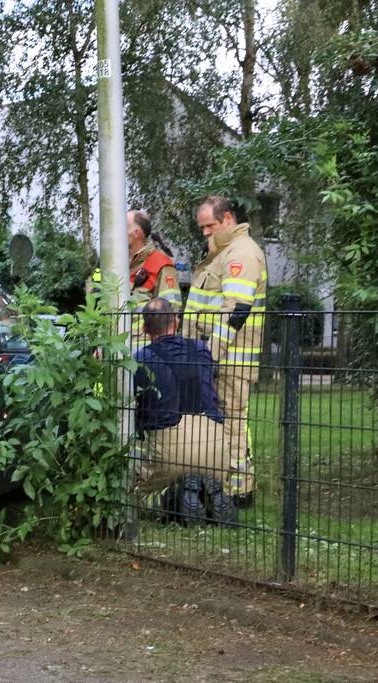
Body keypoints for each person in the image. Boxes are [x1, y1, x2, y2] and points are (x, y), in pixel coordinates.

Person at [181, 195, 268, 505]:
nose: (205, 232)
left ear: (228, 219)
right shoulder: (223, 252)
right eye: (202, 227)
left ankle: (236, 493)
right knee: (218, 423)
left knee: (231, 423)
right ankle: (220, 488)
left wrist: (210, 355)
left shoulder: (241, 254)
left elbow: (236, 311)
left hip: (228, 359)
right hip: (213, 356)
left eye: (210, 225)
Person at [133, 298, 236, 524]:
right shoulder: (201, 349)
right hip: (215, 443)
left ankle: (171, 497)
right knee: (199, 466)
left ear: (143, 329)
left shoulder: (141, 358)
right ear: (176, 322)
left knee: (134, 494)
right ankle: (205, 493)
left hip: (170, 446)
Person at [88, 210, 180, 309]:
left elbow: (170, 313)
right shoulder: (109, 262)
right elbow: (93, 298)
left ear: (136, 233)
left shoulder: (161, 264)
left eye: (122, 227)